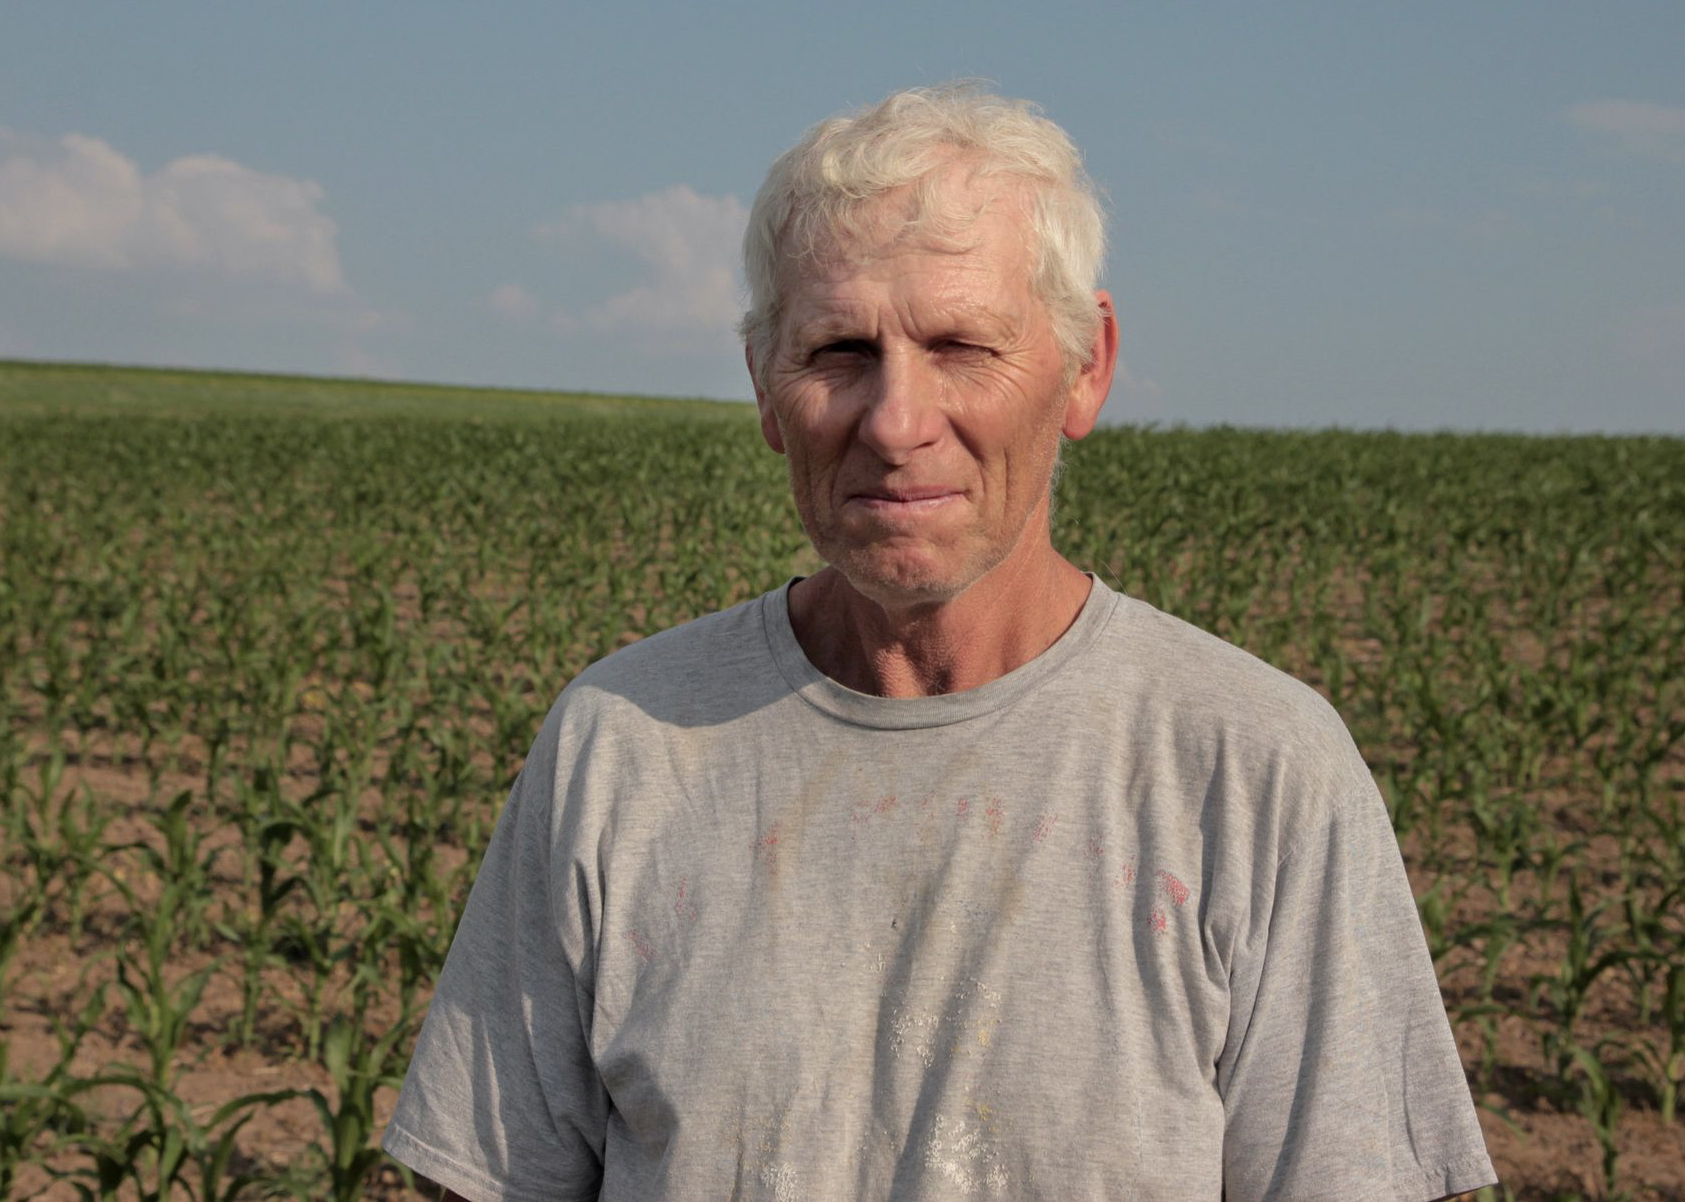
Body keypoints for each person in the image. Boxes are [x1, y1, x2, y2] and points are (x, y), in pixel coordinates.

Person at [382, 83, 1496, 1200]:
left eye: (962, 345)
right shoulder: (623, 744)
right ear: (766, 387)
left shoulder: (1255, 770)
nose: (897, 421)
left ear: (1086, 366)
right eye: (840, 351)